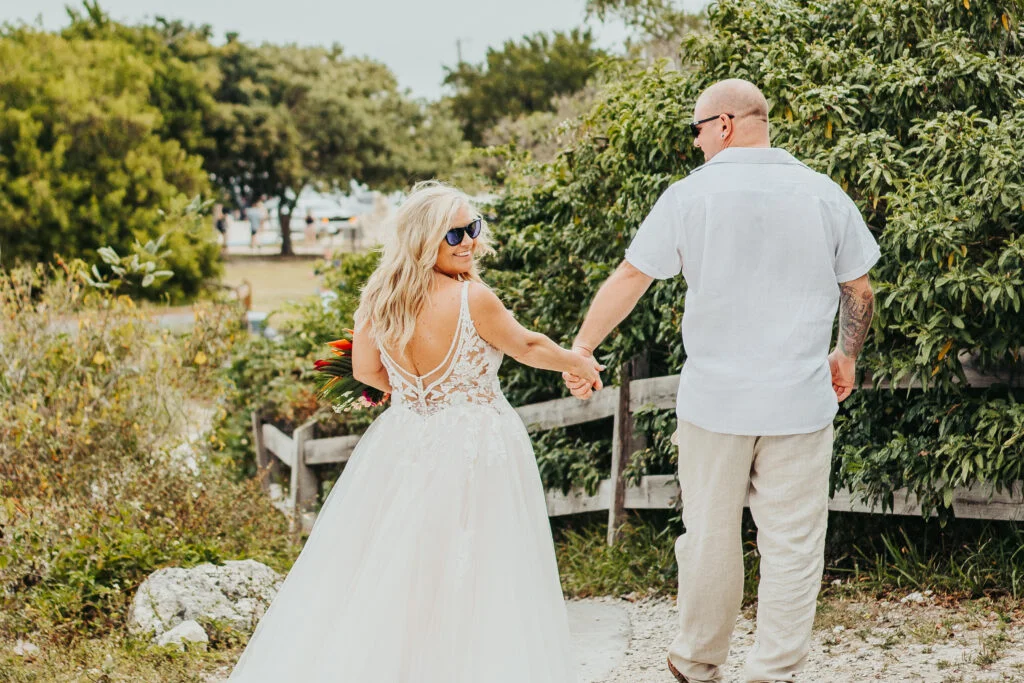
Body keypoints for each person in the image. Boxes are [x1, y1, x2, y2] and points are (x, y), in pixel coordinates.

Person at [563, 79, 879, 683]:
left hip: (715, 402)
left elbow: (633, 276)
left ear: (726, 124)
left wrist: (583, 347)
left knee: (709, 536)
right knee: (792, 543)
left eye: (697, 129)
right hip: (800, 401)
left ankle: (696, 661)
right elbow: (858, 288)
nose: (697, 141)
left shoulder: (690, 196)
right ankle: (773, 672)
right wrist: (846, 354)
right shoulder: (822, 193)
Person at [229, 181, 602, 683]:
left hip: (401, 441)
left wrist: (409, 387)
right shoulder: (473, 297)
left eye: (473, 228)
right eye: (455, 234)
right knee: (478, 569)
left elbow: (366, 371)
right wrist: (578, 363)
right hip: (475, 445)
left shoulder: (379, 299)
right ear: (426, 238)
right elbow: (528, 346)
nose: (469, 241)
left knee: (398, 566)